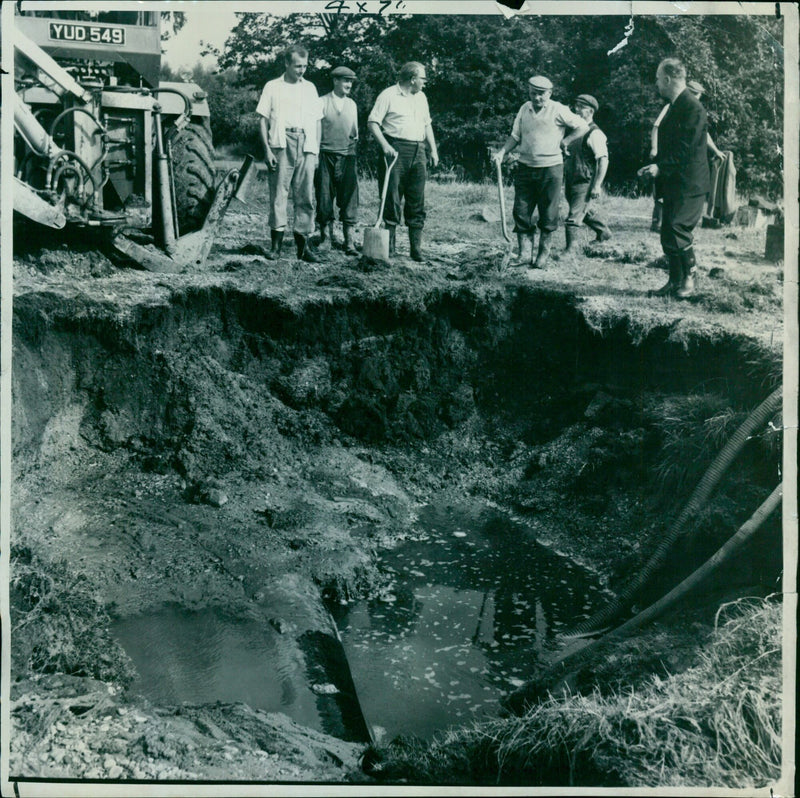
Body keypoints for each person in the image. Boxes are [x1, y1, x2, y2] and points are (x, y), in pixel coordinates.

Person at [492, 75, 588, 268]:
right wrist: (502, 152)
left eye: (541, 94)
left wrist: (566, 141)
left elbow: (583, 126)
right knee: (521, 210)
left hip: (551, 169)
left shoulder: (558, 109)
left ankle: (543, 255)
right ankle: (525, 254)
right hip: (526, 167)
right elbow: (515, 136)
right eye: (533, 93)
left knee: (548, 212)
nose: (537, 98)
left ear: (549, 93)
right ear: (529, 92)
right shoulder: (524, 109)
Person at [638, 58, 710, 299]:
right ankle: (674, 281)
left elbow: (685, 149)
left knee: (678, 229)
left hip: (690, 184)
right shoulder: (674, 105)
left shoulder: (693, 108)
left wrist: (660, 168)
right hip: (674, 182)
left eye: (658, 79)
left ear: (668, 79)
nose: (656, 83)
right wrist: (655, 166)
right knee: (668, 231)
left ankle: (690, 280)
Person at [256, 44, 323, 263]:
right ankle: (275, 247)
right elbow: (262, 119)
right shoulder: (273, 87)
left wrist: (317, 151)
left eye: (304, 66)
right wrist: (267, 150)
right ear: (286, 63)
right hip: (281, 143)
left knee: (305, 196)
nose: (301, 70)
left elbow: (317, 121)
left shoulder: (310, 88)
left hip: (307, 144)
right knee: (279, 194)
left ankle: (303, 248)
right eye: (297, 66)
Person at [367, 61, 439, 262]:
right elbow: (372, 122)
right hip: (395, 150)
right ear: (413, 79)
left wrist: (433, 149)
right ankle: (389, 248)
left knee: (417, 199)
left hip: (419, 151)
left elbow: (427, 125)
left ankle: (416, 250)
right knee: (392, 197)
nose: (425, 83)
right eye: (423, 78)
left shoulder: (422, 97)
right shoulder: (388, 95)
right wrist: (385, 146)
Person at [649, 78, 723, 232]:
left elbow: (701, 135)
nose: (696, 97)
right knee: (661, 194)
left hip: (679, 165)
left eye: (699, 95)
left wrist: (715, 150)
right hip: (666, 160)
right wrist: (654, 148)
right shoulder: (670, 107)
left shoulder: (694, 109)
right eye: (694, 93)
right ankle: (657, 222)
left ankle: (664, 224)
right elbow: (656, 126)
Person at [315, 66, 360, 256]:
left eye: (351, 81)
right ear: (335, 81)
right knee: (324, 197)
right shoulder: (322, 102)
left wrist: (350, 154)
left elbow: (355, 134)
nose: (349, 84)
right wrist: (316, 157)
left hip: (347, 156)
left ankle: (349, 241)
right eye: (345, 80)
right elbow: (316, 131)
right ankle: (326, 238)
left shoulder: (352, 105)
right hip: (325, 155)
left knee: (350, 198)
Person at [562, 94, 611, 252]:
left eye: (580, 108)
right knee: (584, 210)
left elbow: (603, 160)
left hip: (585, 181)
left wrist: (597, 185)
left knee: (573, 216)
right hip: (572, 179)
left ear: (590, 111)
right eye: (576, 106)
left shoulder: (595, 133)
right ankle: (604, 233)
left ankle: (571, 250)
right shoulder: (575, 131)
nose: (576, 110)